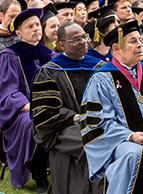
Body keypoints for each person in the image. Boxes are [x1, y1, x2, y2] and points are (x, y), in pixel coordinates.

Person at [81, 20, 143, 194]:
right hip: (120, 143)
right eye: (132, 41)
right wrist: (130, 136)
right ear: (116, 49)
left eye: (140, 41)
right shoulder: (102, 79)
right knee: (135, 154)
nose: (139, 45)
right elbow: (97, 123)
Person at [31, 22, 104, 194]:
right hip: (64, 127)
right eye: (76, 39)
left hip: (98, 122)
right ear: (62, 44)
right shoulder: (49, 72)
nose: (84, 42)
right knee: (91, 142)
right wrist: (74, 117)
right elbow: (46, 113)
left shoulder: (99, 67)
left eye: (84, 37)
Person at [0, 8, 56, 192]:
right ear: (18, 33)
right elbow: (7, 92)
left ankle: (58, 169)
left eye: (37, 25)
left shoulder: (50, 55)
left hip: (51, 106)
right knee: (34, 121)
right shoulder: (10, 55)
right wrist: (29, 105)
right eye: (29, 26)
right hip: (22, 111)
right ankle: (39, 174)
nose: (36, 29)